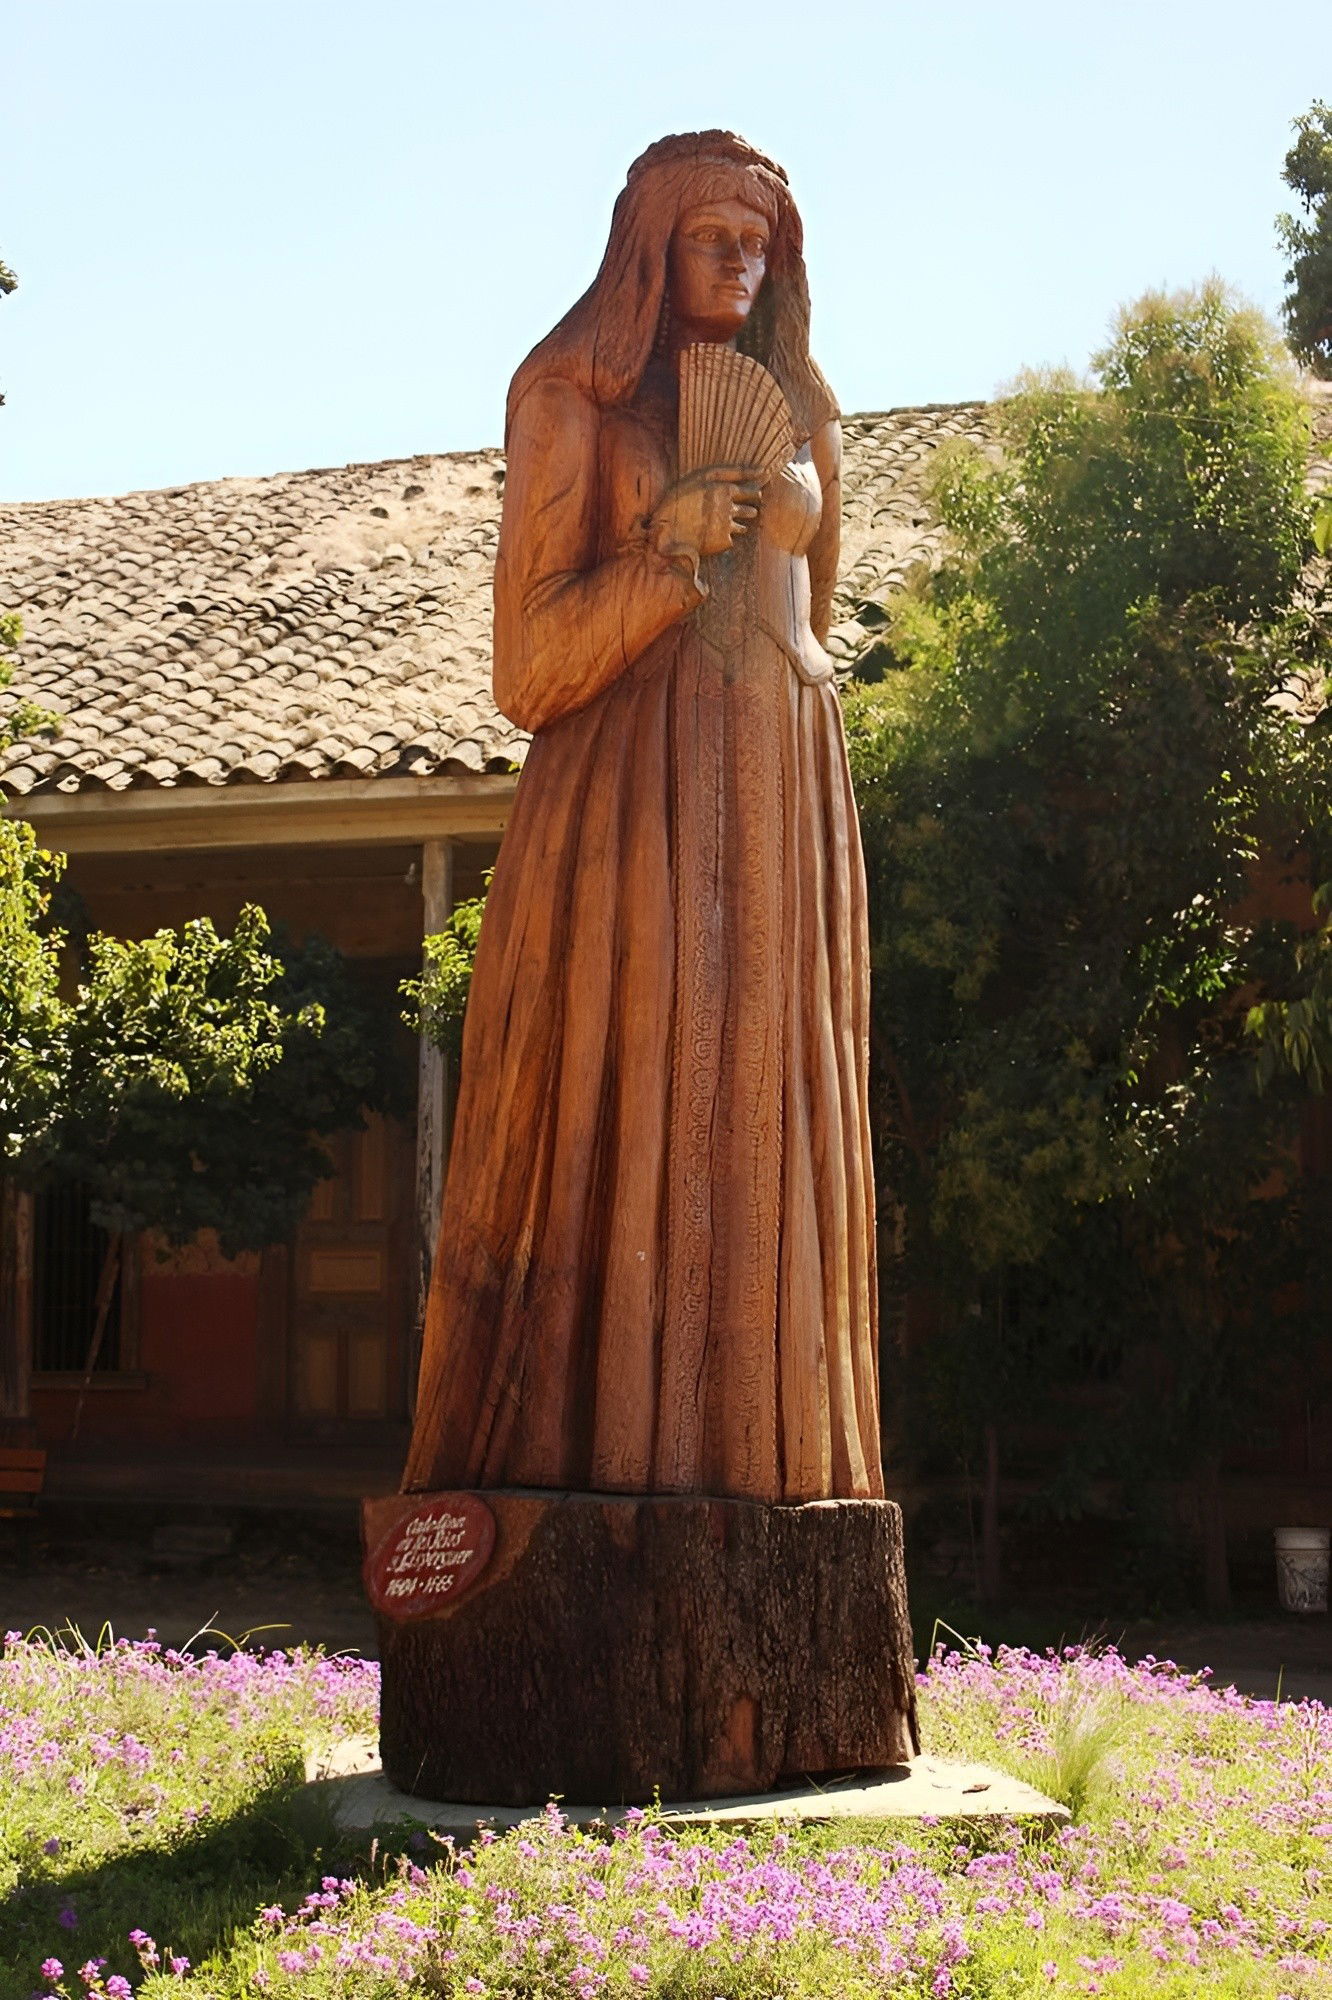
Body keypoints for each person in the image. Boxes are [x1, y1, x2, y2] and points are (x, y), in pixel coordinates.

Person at [403, 130, 884, 1505]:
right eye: (714, 234)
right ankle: (594, 1460)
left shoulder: (807, 406)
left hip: (785, 787)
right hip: (627, 794)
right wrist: (668, 553)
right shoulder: (571, 398)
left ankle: (779, 1472)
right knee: (628, 1105)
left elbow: (813, 625)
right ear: (650, 245)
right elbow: (529, 669)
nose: (742, 260)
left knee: (772, 1115)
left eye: (761, 241)